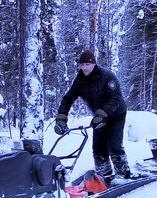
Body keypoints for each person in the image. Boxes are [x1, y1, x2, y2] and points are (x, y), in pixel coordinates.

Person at [54, 50, 131, 180]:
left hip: (116, 114)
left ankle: (123, 173)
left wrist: (102, 114)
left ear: (94, 64)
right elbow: (68, 98)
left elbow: (116, 98)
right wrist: (61, 118)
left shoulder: (107, 77)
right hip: (99, 117)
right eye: (82, 65)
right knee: (98, 147)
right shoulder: (80, 81)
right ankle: (104, 173)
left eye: (87, 64)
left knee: (114, 145)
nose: (84, 68)